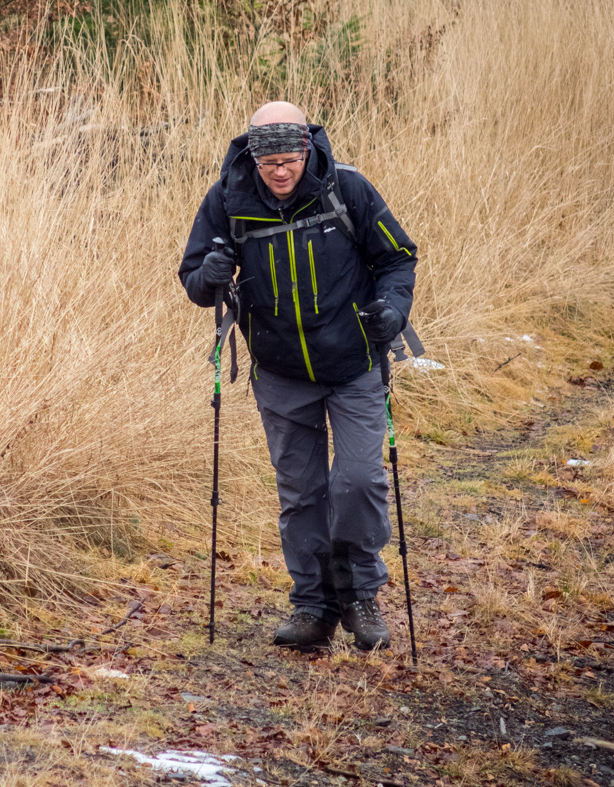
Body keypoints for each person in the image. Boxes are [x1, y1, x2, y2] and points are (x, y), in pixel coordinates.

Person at [178, 101, 417, 651]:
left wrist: (392, 310)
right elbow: (194, 277)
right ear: (253, 158)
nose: (280, 173)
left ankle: (360, 595)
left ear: (307, 149)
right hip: (281, 370)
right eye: (269, 164)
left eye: (288, 160)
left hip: (354, 362)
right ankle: (313, 605)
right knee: (301, 494)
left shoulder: (347, 189)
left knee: (358, 480)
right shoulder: (228, 200)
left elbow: (397, 257)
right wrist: (209, 275)